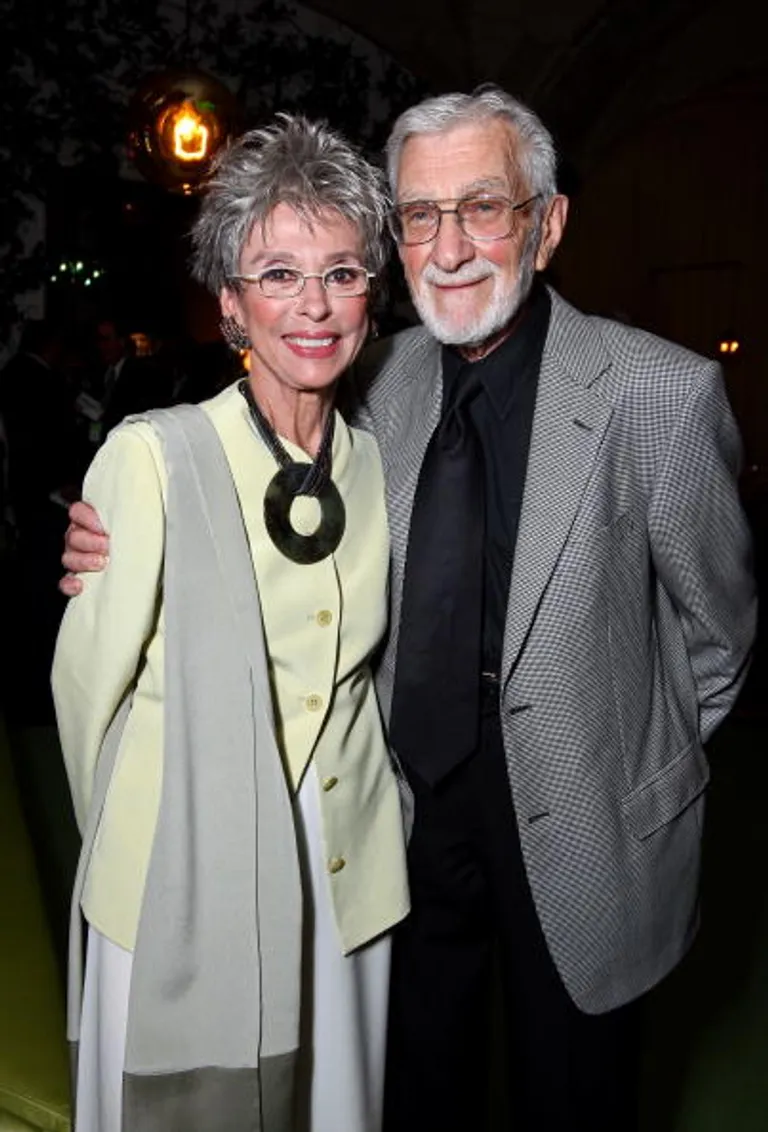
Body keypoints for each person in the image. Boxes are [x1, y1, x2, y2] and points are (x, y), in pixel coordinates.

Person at [61, 86, 757, 1132]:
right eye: (421, 214)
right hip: (401, 819)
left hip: (584, 828)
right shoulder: (378, 380)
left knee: (573, 1097)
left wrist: (624, 754)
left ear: (549, 222)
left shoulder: (659, 394)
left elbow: (721, 635)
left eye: (485, 207)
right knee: (415, 1090)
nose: (452, 245)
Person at [52, 115, 409, 1132]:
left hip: (346, 873)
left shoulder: (383, 463)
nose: (314, 303)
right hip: (181, 870)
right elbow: (87, 693)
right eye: (280, 274)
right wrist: (153, 841)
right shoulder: (155, 456)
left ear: (368, 297)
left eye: (341, 273)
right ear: (231, 304)